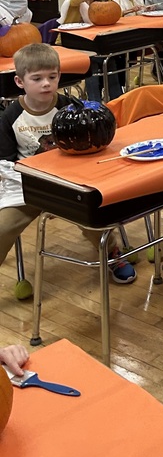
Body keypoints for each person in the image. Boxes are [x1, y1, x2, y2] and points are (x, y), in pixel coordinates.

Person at [0, 44, 135, 284]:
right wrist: (33, 177)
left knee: (91, 213)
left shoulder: (72, 109)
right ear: (20, 82)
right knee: (2, 227)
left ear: (59, 77)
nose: (46, 84)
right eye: (37, 78)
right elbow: (5, 163)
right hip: (27, 186)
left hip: (71, 183)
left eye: (52, 77)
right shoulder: (9, 117)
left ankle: (112, 252)